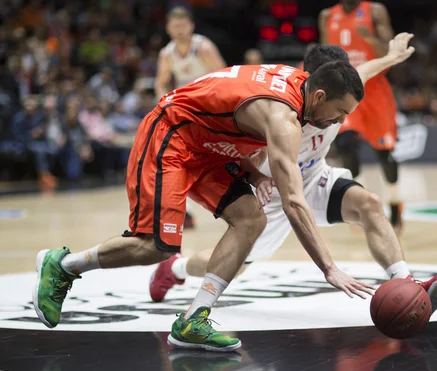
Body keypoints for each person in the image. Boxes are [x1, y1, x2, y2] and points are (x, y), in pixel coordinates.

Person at [33, 56, 373, 353]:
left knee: (251, 219)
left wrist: (254, 174)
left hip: (209, 143)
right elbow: (295, 203)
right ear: (319, 96)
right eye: (340, 112)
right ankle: (64, 265)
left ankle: (194, 319)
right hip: (173, 135)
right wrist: (329, 268)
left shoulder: (299, 83)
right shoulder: (284, 118)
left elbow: (233, 112)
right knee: (156, 247)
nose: (340, 121)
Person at [149, 35, 437, 320]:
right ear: (316, 87)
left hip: (313, 177)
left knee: (370, 204)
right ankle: (175, 268)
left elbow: (365, 70)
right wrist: (251, 169)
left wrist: (391, 56)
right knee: (235, 266)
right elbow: (231, 145)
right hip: (275, 195)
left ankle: (406, 282)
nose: (341, 117)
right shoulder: (279, 113)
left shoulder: (340, 89)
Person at [319, 0, 403, 230]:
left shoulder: (375, 11)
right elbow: (324, 56)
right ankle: (361, 206)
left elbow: (390, 53)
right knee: (346, 146)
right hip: (344, 91)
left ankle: (395, 206)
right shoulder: (327, 15)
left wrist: (369, 38)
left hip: (375, 91)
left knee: (384, 153)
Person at [155, 6, 227, 228]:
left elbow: (224, 73)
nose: (178, 30)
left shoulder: (202, 47)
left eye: (182, 25)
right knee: (177, 158)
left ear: (191, 26)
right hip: (185, 112)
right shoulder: (167, 53)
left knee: (222, 157)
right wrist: (163, 104)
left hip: (209, 108)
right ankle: (185, 212)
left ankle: (237, 201)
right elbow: (160, 82)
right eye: (174, 26)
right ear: (168, 28)